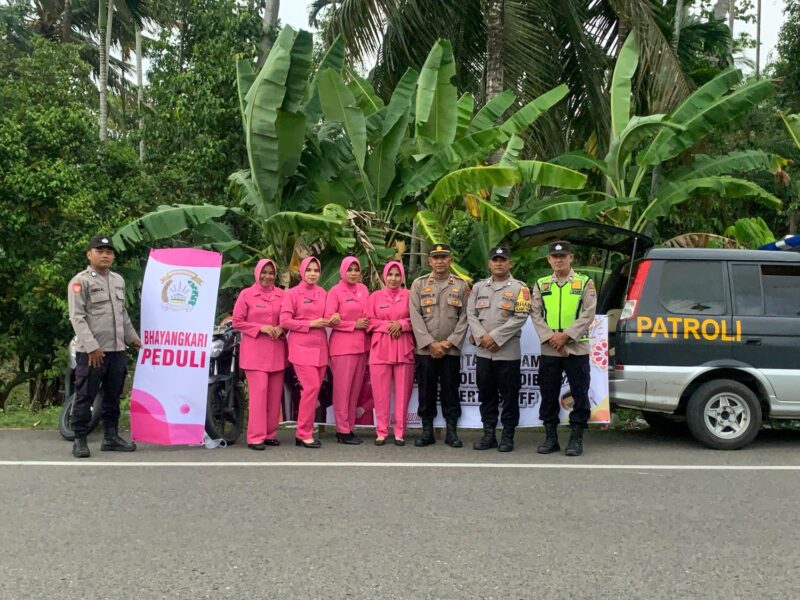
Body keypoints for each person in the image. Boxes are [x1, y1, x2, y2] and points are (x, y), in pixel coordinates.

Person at [67, 235, 141, 458]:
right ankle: (79, 439)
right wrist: (91, 347)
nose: (105, 255)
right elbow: (77, 317)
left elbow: (122, 314)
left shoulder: (118, 280)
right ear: (89, 254)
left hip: (116, 350)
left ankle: (111, 437)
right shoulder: (80, 282)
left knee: (113, 395)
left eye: (109, 252)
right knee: (85, 395)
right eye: (100, 251)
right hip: (92, 353)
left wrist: (133, 339)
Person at [530, 240, 597, 457]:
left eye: (563, 256)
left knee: (579, 393)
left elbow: (588, 313)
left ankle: (576, 439)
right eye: (554, 257)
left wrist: (566, 336)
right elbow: (535, 313)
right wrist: (552, 337)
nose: (559, 260)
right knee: (548, 393)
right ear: (549, 260)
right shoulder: (541, 284)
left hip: (576, 347)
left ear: (571, 258)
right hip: (550, 348)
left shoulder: (584, 282)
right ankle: (551, 438)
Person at [466, 246, 530, 453]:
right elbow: (471, 314)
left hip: (507, 352)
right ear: (489, 263)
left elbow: (520, 317)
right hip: (484, 352)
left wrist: (495, 337)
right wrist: (481, 337)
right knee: (487, 394)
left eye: (503, 260)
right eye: (495, 260)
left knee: (510, 396)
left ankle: (508, 436)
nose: (499, 263)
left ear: (510, 263)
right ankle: (489, 434)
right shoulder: (478, 288)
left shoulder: (521, 289)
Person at [408, 244, 470, 448]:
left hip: (450, 349)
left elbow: (465, 317)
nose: (440, 261)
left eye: (444, 257)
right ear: (430, 261)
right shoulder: (419, 284)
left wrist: (448, 343)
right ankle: (427, 431)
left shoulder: (461, 286)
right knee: (426, 390)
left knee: (451, 390)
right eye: (436, 257)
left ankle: (451, 432)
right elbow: (415, 316)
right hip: (426, 350)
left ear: (450, 260)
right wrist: (430, 343)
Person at [232, 259, 287, 451]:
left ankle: (270, 434)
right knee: (259, 395)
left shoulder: (282, 295)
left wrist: (282, 327)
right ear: (257, 273)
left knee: (274, 396)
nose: (267, 276)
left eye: (271, 273)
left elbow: (288, 318)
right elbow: (237, 322)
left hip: (277, 351)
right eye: (264, 272)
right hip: (255, 353)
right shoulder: (246, 295)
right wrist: (260, 328)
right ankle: (255, 437)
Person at [279, 257, 330, 448]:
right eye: (309, 270)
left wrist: (332, 318)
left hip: (320, 346)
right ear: (301, 272)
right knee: (311, 388)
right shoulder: (292, 294)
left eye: (316, 270)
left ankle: (305, 430)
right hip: (300, 347)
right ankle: (303, 433)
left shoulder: (323, 292)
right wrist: (310, 324)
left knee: (315, 389)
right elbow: (285, 321)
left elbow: (327, 315)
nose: (312, 273)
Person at [366, 260, 414, 446]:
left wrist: (401, 325)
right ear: (384, 276)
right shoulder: (375, 296)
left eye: (397, 275)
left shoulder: (410, 295)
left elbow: (417, 319)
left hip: (404, 348)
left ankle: (400, 431)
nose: (393, 278)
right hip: (380, 349)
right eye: (390, 274)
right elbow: (368, 321)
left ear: (402, 277)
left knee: (403, 393)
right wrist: (388, 326)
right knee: (380, 393)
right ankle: (381, 430)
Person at [324, 257, 369, 445]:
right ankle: (342, 430)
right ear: (343, 271)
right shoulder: (335, 291)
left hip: (361, 346)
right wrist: (353, 324)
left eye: (356, 270)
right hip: (342, 347)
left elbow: (369, 314)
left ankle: (349, 426)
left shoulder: (364, 289)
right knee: (342, 391)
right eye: (349, 269)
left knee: (354, 391)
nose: (353, 273)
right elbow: (328, 318)